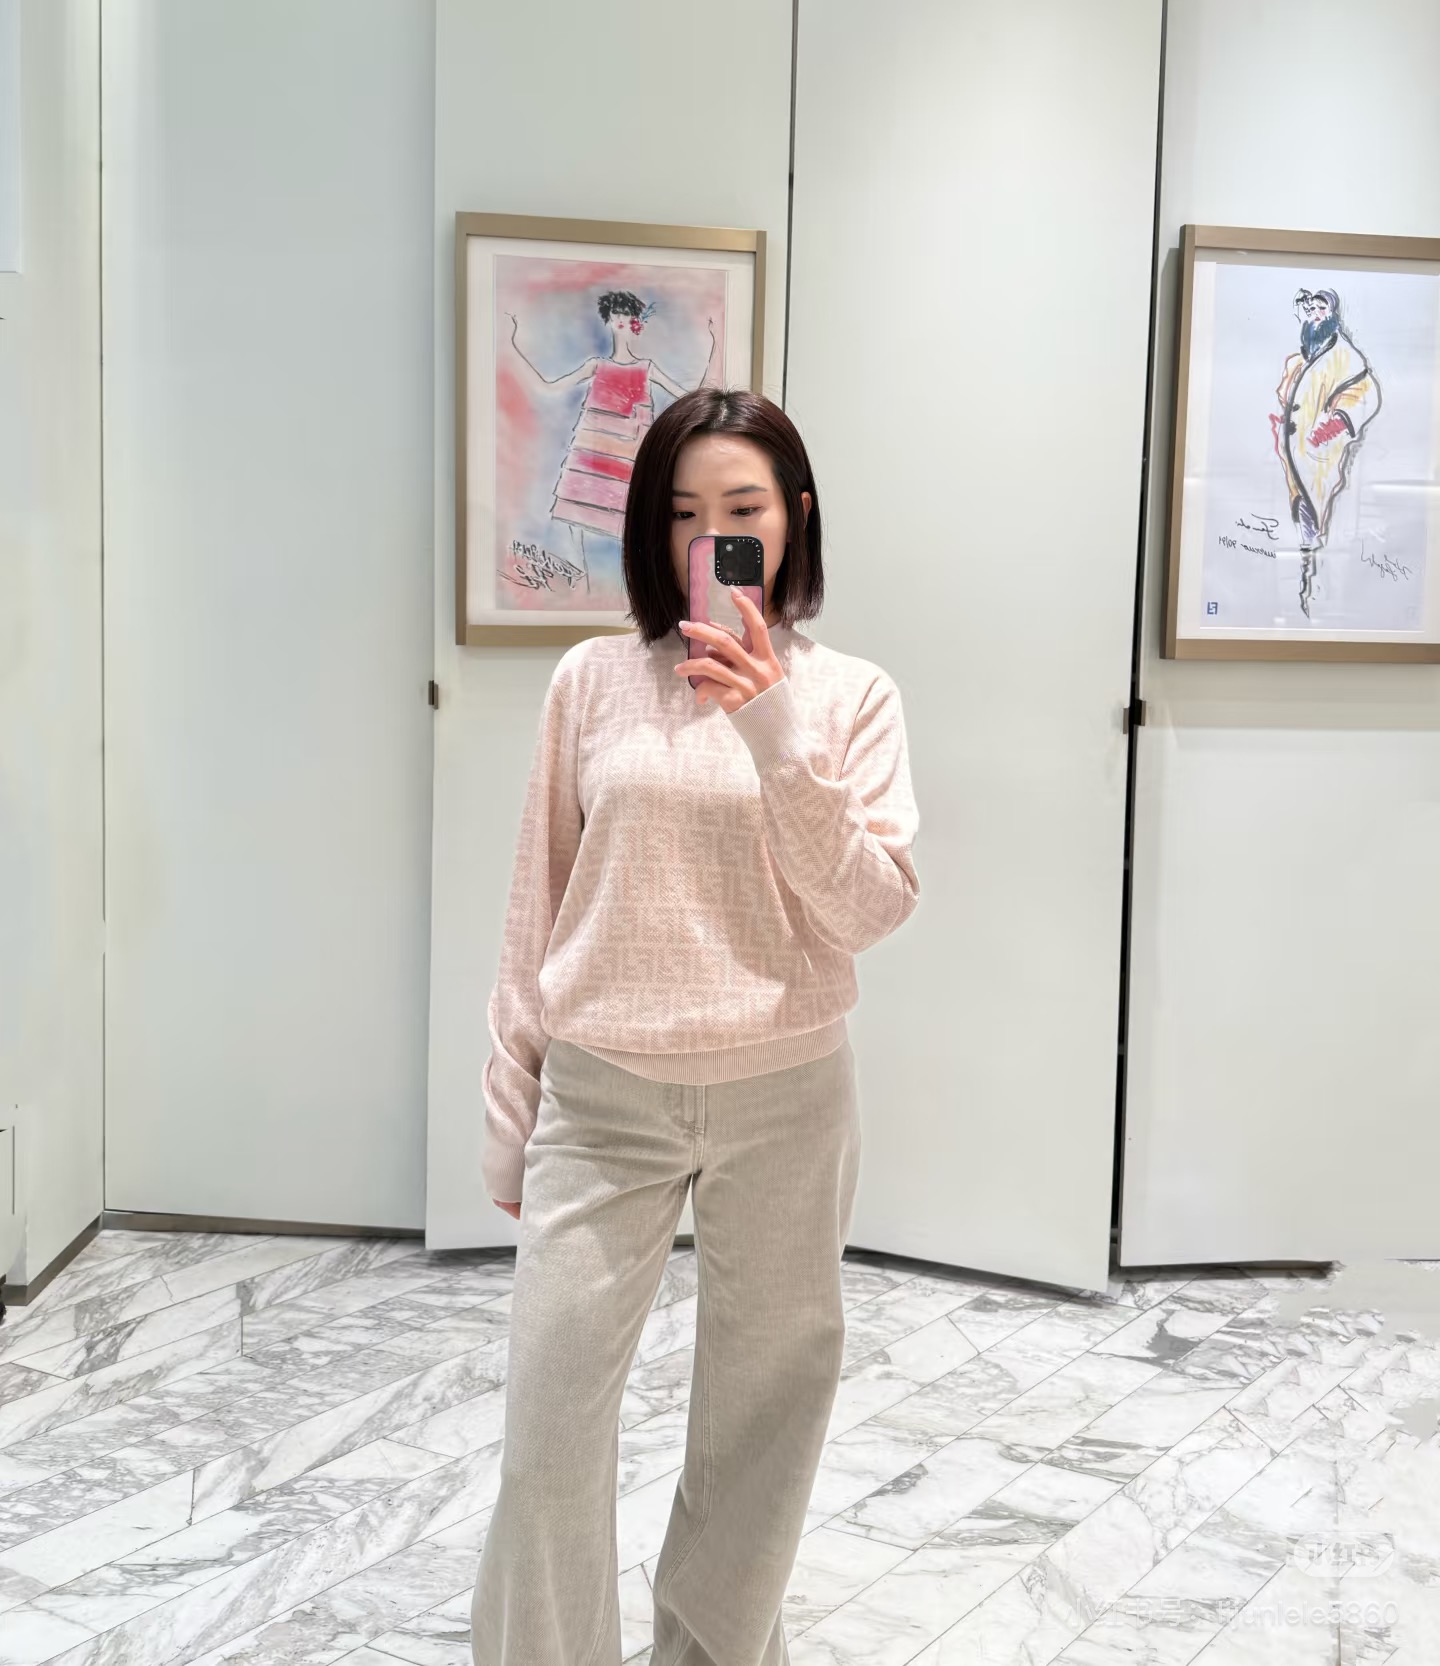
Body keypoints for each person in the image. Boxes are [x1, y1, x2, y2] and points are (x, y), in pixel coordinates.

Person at [470, 387, 920, 1666]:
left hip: (788, 1098)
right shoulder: (591, 681)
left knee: (764, 1421)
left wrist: (773, 729)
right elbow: (538, 899)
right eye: (680, 514)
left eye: (740, 509)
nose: (708, 538)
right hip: (601, 1095)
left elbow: (869, 908)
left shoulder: (852, 697)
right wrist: (511, 1102)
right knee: (549, 1427)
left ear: (793, 521)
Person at [506, 289, 719, 592]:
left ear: (636, 324)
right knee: (575, 524)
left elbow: (692, 399)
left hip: (630, 463)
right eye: (615, 314)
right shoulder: (596, 365)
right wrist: (512, 342)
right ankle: (584, 593)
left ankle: (629, 596)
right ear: (607, 320)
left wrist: (715, 346)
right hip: (590, 461)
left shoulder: (646, 368)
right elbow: (548, 387)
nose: (620, 319)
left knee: (633, 533)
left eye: (626, 315)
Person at [1269, 286, 1381, 616]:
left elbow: (1365, 392)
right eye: (1311, 309)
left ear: (1332, 313)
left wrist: (1333, 427)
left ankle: (1315, 594)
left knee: (1320, 521)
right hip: (1293, 457)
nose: (1315, 314)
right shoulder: (1301, 357)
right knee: (1300, 520)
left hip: (1320, 457)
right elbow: (1288, 397)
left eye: (1322, 308)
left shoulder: (1345, 355)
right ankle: (1303, 591)